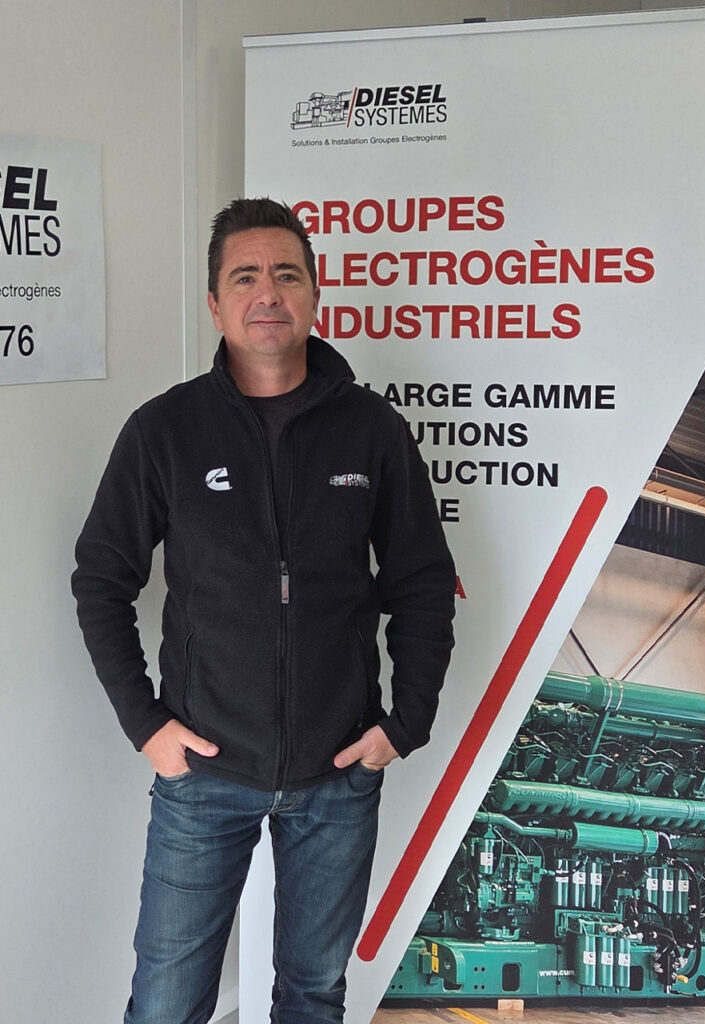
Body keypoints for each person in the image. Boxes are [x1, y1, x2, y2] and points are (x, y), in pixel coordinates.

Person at [72, 197, 455, 1024]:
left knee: (312, 997)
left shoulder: (372, 431)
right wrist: (146, 723)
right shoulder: (165, 431)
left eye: (287, 274)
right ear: (216, 304)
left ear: (315, 293)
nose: (268, 293)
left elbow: (423, 582)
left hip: (338, 777)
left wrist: (404, 725)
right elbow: (101, 580)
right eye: (245, 277)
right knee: (166, 1005)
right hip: (203, 774)